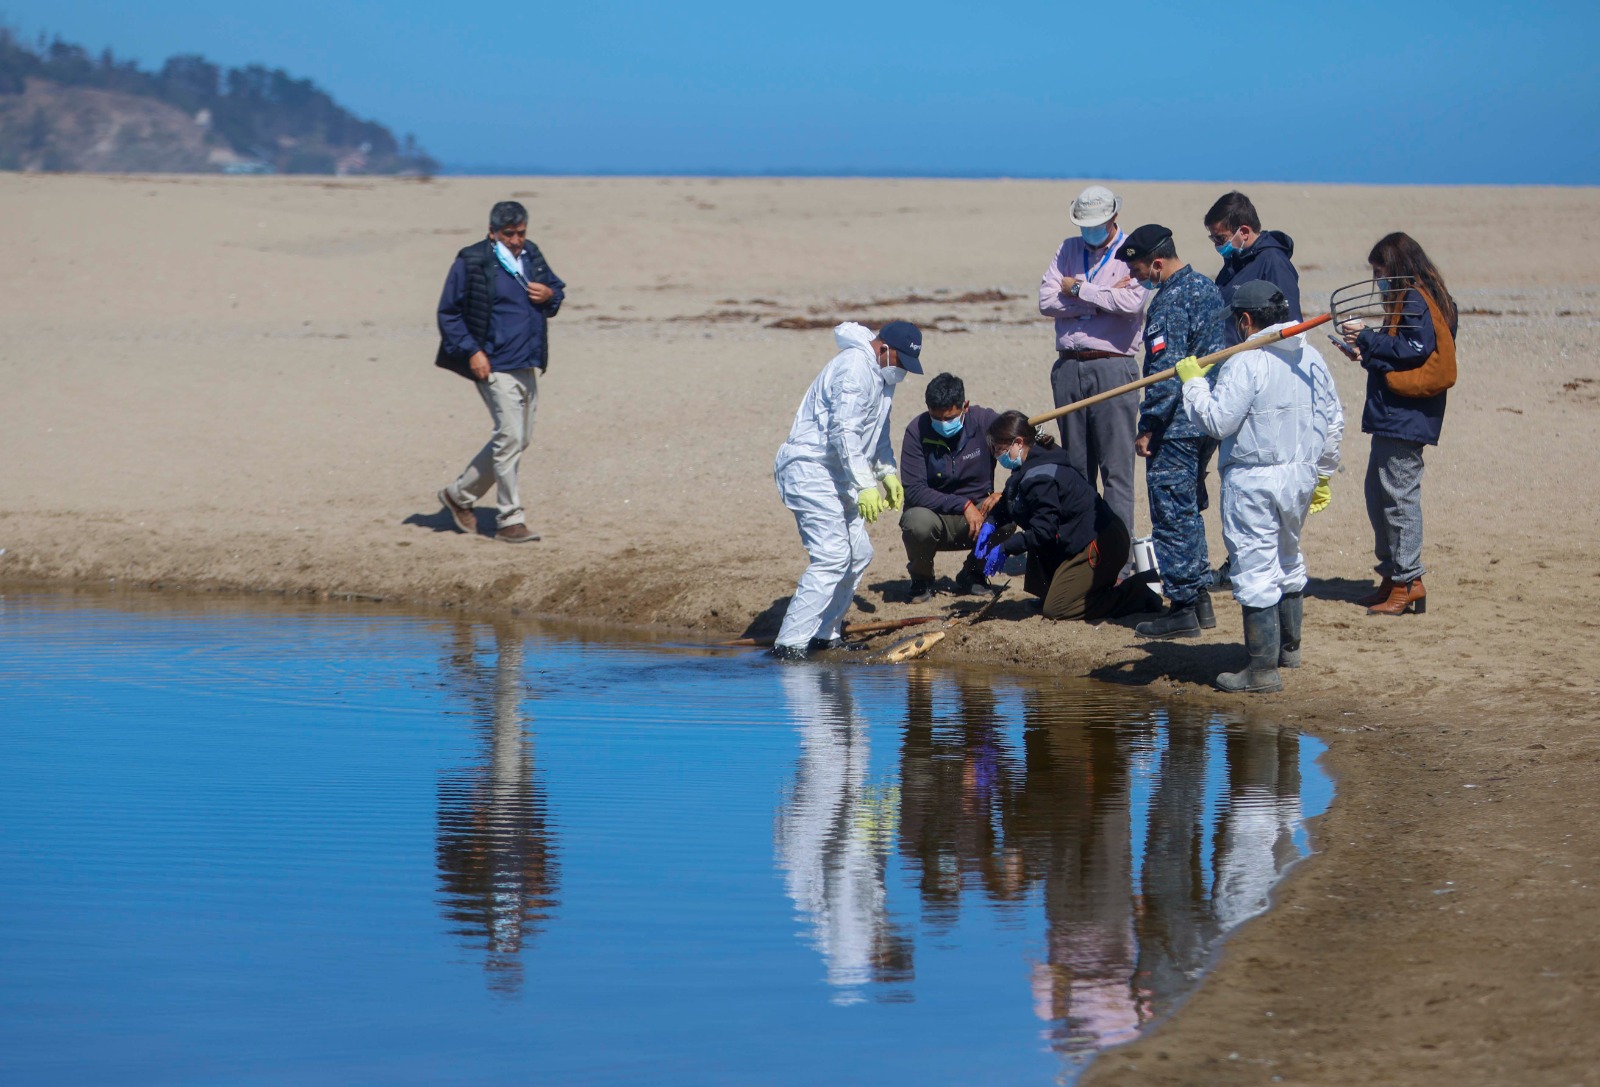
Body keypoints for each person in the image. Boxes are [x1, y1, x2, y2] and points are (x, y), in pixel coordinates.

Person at [1178, 280, 1344, 693]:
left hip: (1254, 479)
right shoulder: (1312, 357)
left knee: (1253, 566)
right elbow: (1332, 421)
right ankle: (1288, 650)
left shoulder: (1245, 362)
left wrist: (1193, 383)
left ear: (1247, 320)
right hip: (1300, 476)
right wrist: (1323, 471)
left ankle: (1261, 670)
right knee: (1287, 557)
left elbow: (1218, 421)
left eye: (1236, 322)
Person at [771, 321, 925, 660]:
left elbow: (878, 433)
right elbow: (844, 432)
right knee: (831, 557)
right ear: (884, 349)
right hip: (810, 468)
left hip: (840, 475)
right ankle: (790, 645)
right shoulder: (855, 367)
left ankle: (826, 633)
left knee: (858, 553)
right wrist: (865, 485)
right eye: (901, 363)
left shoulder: (883, 377)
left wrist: (887, 473)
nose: (902, 372)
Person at [1117, 225, 1229, 638]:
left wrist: (1149, 426)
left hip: (1177, 423)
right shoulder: (1207, 288)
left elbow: (1166, 373)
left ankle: (1182, 606)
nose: (1137, 277)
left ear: (1158, 264)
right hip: (1206, 417)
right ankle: (1199, 599)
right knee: (1187, 509)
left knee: (1172, 513)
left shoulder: (1171, 301)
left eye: (1140, 269)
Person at [1338, 232, 1458, 617]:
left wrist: (1368, 338)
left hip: (1405, 416)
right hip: (1395, 414)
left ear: (1397, 267)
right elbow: (1404, 354)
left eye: (1380, 271)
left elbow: (1414, 349)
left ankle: (1409, 581)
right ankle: (1392, 576)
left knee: (1399, 498)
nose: (1377, 281)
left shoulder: (1415, 298)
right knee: (1379, 493)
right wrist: (1365, 352)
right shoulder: (1423, 296)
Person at [434, 200, 566, 543]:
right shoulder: (473, 260)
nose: (516, 240)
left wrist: (549, 294)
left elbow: (556, 291)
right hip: (492, 364)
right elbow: (449, 313)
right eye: (509, 234)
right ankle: (510, 520)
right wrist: (472, 352)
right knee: (508, 437)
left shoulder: (531, 255)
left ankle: (458, 496)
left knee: (519, 439)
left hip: (527, 361)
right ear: (492, 232)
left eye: (521, 233)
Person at [1037, 185, 1148, 545]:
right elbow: (1046, 300)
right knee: (1077, 469)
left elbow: (1131, 302)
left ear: (1114, 217)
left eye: (1096, 224)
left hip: (1113, 366)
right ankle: (1082, 554)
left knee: (1116, 471)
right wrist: (1098, 299)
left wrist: (1078, 290)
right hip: (1069, 366)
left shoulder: (1133, 250)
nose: (1089, 231)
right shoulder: (1068, 248)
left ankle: (1119, 559)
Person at [978, 411, 1134, 622]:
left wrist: (1006, 548)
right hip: (1079, 538)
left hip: (1101, 543)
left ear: (1018, 443)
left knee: (1057, 609)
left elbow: (1044, 531)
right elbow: (1009, 503)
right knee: (1037, 535)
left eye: (1000, 450)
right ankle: (1054, 590)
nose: (998, 456)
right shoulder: (1030, 463)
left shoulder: (1041, 476)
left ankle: (1134, 593)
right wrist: (990, 523)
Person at [898, 372, 1001, 602]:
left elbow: (1022, 444)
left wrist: (1007, 490)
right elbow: (914, 490)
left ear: (965, 406)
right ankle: (921, 579)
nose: (944, 425)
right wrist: (962, 504)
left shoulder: (985, 422)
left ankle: (973, 574)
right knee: (916, 523)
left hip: (978, 517)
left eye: (951, 418)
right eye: (938, 419)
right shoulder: (916, 431)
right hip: (934, 517)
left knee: (1008, 510)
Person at [1204, 191, 1302, 332]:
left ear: (1243, 232)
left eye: (1221, 239)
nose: (1216, 245)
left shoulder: (1273, 262)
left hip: (1255, 353)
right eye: (1213, 239)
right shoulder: (1232, 265)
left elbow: (1290, 324)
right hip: (1227, 353)